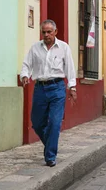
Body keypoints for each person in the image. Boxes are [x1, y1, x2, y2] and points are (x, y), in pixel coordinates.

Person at [20, 19, 77, 167]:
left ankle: (50, 156)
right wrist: (25, 75)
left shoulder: (64, 48)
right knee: (37, 122)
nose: (46, 35)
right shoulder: (35, 48)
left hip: (57, 88)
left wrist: (72, 87)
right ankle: (50, 144)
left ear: (55, 32)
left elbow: (70, 68)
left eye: (49, 32)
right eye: (44, 32)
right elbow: (27, 65)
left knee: (54, 123)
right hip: (40, 88)